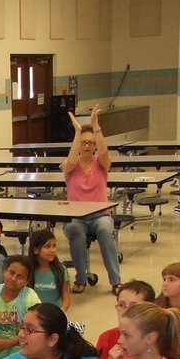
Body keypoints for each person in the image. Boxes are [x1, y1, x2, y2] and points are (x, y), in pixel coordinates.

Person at [61, 106, 120, 294]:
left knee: (104, 230)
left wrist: (95, 126)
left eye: (91, 143)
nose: (87, 146)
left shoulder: (101, 164)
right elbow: (70, 162)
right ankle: (80, 277)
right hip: (76, 217)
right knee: (76, 232)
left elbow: (104, 153)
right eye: (83, 142)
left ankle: (115, 280)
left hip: (100, 215)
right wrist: (78, 133)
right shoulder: (70, 165)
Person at [95, 280, 155, 358]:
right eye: (121, 305)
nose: (126, 311)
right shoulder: (107, 338)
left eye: (133, 306)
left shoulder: (158, 339)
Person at [29, 228, 69, 310]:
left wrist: (61, 312)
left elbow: (66, 298)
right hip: (33, 315)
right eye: (47, 246)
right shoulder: (28, 271)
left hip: (54, 316)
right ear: (36, 250)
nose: (52, 250)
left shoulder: (61, 270)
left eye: (54, 246)